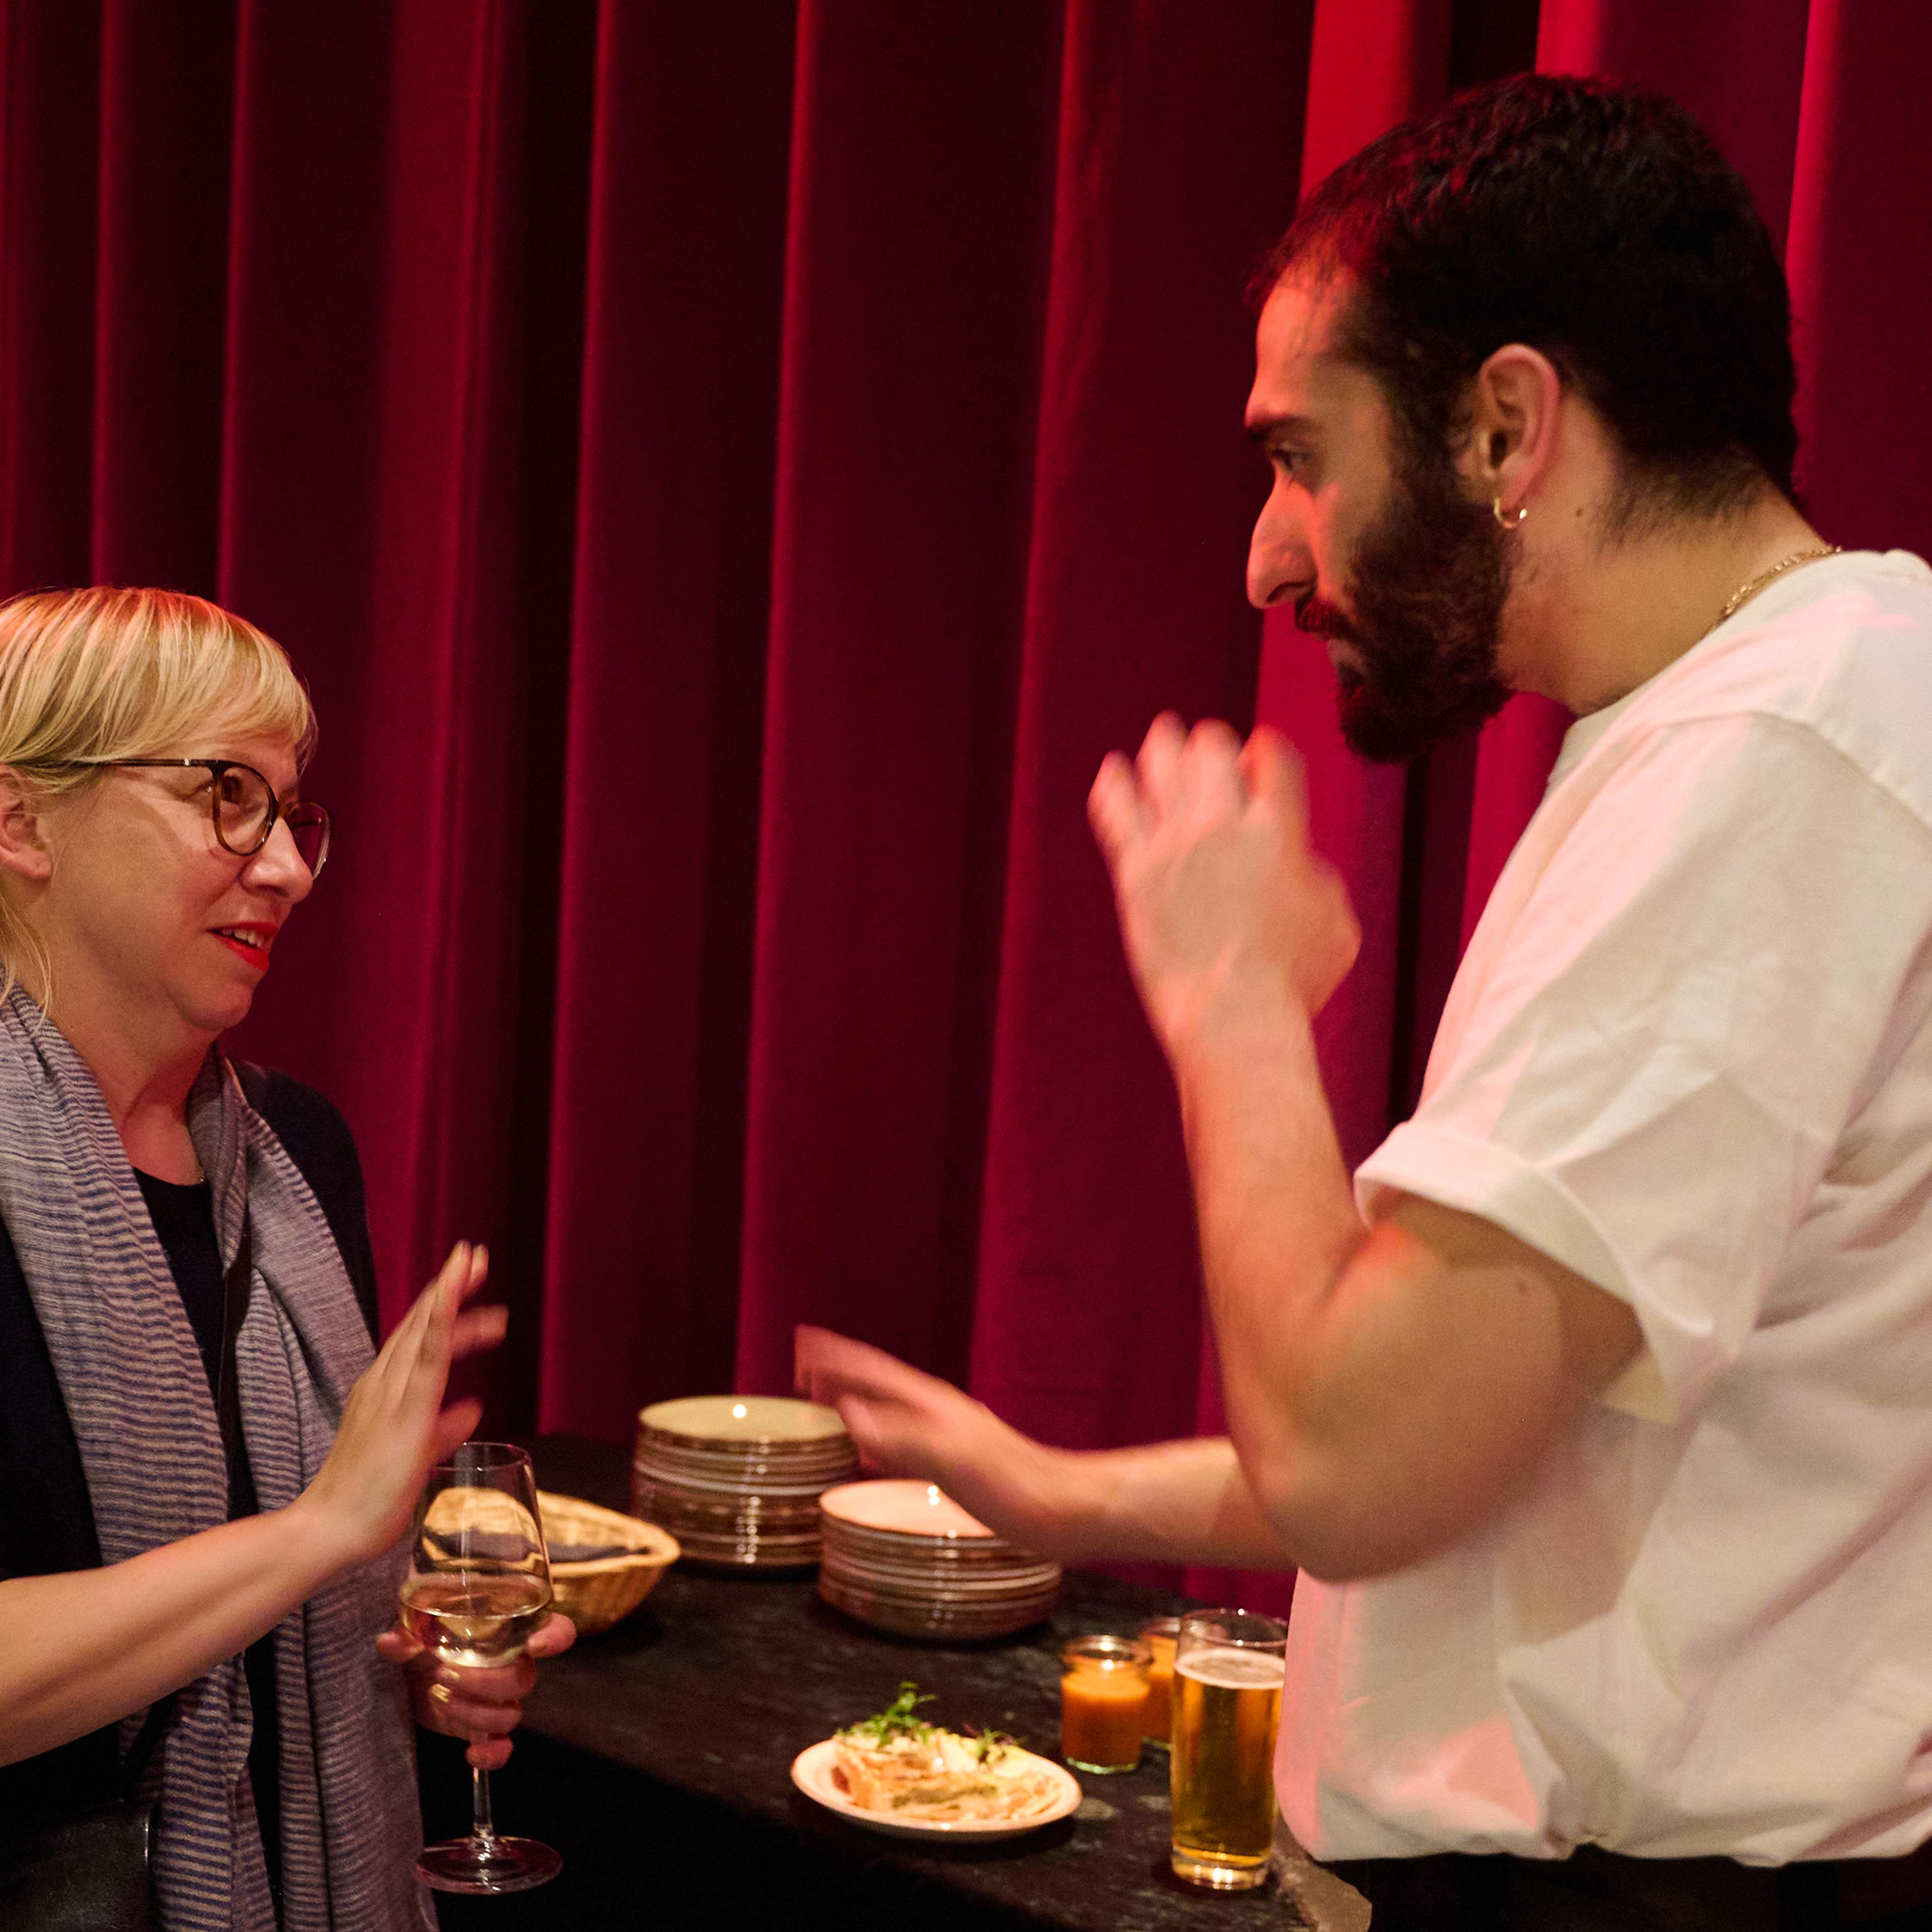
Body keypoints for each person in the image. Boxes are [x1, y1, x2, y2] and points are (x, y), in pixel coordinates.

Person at [797, 76, 1932, 1930]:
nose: (1265, 558)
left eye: (1300, 457)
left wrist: (1232, 999)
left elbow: (1350, 1458)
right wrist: (1056, 1493)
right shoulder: (1770, 721)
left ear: (1505, 425)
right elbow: (1488, 1432)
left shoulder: (1776, 754)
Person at [0, 586, 572, 1930]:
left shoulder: (296, 1153)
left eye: (291, 814)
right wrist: (320, 1532)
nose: (289, 871)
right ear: (22, 821)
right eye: (226, 798)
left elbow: (271, 1621)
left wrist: (408, 1668)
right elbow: (307, 1538)